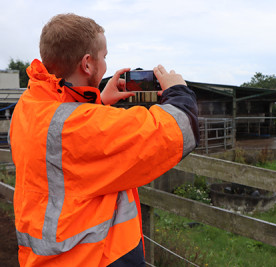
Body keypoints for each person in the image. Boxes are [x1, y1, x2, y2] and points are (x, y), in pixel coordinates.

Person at [8, 13, 199, 267]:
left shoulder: (29, 105)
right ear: (87, 64)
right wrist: (179, 91)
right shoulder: (79, 128)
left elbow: (68, 135)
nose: (106, 64)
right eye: (104, 56)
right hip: (92, 259)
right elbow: (178, 128)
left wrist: (98, 100)